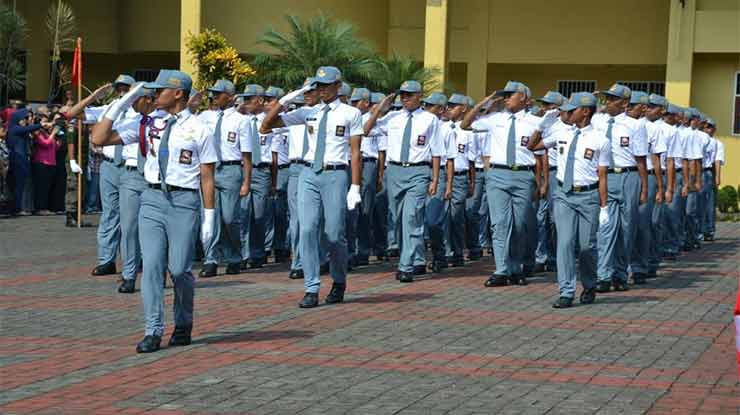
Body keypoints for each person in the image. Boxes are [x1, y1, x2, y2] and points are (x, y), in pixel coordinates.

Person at [91, 70, 217, 353]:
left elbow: (207, 175)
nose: (153, 95)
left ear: (178, 94)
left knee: (180, 268)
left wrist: (209, 216)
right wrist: (125, 101)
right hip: (151, 198)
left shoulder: (199, 128)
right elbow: (99, 137)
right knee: (152, 268)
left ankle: (183, 322)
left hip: (184, 202)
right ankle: (153, 329)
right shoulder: (147, 123)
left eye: (160, 91)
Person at [261, 66, 364, 307]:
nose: (323, 91)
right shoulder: (308, 112)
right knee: (306, 229)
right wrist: (288, 98)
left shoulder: (351, 113)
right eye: (318, 86)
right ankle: (311, 286)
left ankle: (338, 280)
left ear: (338, 86)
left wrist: (355, 186)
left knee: (334, 234)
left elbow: (356, 151)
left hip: (335, 174)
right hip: (308, 172)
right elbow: (265, 125)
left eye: (327, 86)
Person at [530, 92, 610, 308]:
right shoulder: (562, 133)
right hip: (564, 195)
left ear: (585, 112)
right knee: (564, 243)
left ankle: (590, 284)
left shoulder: (600, 140)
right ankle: (566, 291)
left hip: (589, 196)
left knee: (586, 246)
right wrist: (541, 124)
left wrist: (604, 208)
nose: (566, 113)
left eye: (571, 110)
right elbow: (532, 146)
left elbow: (602, 176)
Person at [461, 81, 542, 287]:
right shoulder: (495, 119)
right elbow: (465, 124)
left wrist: (541, 183)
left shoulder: (535, 122)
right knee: (499, 224)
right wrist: (484, 102)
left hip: (523, 175)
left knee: (519, 224)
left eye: (510, 95)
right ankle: (501, 269)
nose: (506, 98)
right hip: (497, 174)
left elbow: (541, 155)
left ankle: (515, 268)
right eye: (504, 95)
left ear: (523, 97)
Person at [364, 81, 444, 283]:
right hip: (395, 171)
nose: (405, 98)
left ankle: (406, 265)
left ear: (420, 96)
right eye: (402, 95)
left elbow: (436, 151)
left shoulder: (430, 119)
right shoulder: (392, 117)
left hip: (418, 171)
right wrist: (380, 109)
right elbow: (366, 129)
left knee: (411, 216)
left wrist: (434, 179)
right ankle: (413, 258)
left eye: (409, 94)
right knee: (398, 218)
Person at [65, 75, 135, 276]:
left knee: (131, 217)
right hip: (109, 166)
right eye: (118, 87)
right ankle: (107, 260)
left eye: (125, 87)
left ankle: (134, 259)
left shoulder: (140, 110)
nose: (121, 91)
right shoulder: (109, 109)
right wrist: (94, 96)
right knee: (109, 214)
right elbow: (72, 114)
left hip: (131, 167)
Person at [592, 84, 648, 293]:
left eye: (612, 98)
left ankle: (620, 274)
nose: (607, 101)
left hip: (628, 176)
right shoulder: (597, 121)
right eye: (607, 98)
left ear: (624, 103)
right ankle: (603, 275)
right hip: (605, 177)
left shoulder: (635, 125)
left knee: (626, 228)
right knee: (605, 228)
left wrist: (643, 189)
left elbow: (641, 159)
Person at [197, 79, 251, 278]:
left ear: (230, 97)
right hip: (209, 170)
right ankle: (210, 259)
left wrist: (246, 182)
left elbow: (246, 155)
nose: (214, 97)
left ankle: (234, 257)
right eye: (212, 94)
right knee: (209, 217)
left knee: (230, 218)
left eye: (218, 94)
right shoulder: (204, 117)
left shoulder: (240, 120)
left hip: (230, 170)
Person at [626, 92, 667, 284]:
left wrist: (659, 187)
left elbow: (656, 161)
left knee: (644, 224)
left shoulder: (654, 129)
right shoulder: (620, 124)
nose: (629, 107)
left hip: (647, 177)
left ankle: (641, 266)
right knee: (624, 225)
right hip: (624, 176)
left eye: (635, 105)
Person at [285, 78, 319, 280]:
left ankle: (319, 259)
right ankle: (298, 261)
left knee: (320, 221)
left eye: (311, 91)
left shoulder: (328, 115)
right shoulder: (296, 115)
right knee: (298, 220)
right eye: (304, 92)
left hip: (321, 167)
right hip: (298, 168)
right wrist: (296, 93)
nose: (307, 95)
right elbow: (269, 119)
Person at [238, 84, 274, 270]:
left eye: (248, 99)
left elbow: (275, 152)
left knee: (259, 214)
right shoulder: (241, 121)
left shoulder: (269, 121)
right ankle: (243, 254)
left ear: (259, 100)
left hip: (261, 170)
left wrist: (273, 180)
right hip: (244, 169)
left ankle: (258, 253)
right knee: (243, 214)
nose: (245, 103)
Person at [531, 91, 567, 272]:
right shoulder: (544, 126)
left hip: (560, 174)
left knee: (555, 219)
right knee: (540, 218)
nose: (544, 109)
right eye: (544, 105)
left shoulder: (565, 126)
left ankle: (554, 257)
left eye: (548, 105)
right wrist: (542, 182)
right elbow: (540, 156)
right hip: (549, 173)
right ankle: (541, 255)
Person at [422, 92, 455, 273]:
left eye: (430, 106)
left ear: (441, 110)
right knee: (415, 218)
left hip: (439, 174)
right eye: (425, 105)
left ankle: (439, 255)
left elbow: (450, 159)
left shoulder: (446, 130)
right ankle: (417, 260)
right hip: (420, 171)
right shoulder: (419, 123)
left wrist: (449, 185)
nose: (426, 109)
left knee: (433, 221)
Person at [445, 94, 478, 266]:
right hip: (443, 175)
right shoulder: (442, 127)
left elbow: (471, 159)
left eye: (454, 106)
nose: (449, 108)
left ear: (463, 108)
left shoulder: (468, 131)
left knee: (456, 216)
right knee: (442, 216)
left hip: (459, 176)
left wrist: (472, 182)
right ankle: (445, 251)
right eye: (448, 106)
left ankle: (457, 252)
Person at [7, 108, 42, 216]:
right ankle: (18, 208)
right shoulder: (14, 128)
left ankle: (23, 207)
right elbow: (28, 129)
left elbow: (28, 130)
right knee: (19, 185)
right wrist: (41, 124)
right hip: (18, 159)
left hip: (23, 159)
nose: (25, 120)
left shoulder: (20, 129)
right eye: (24, 118)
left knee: (24, 184)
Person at [30, 116, 62, 215]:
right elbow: (45, 143)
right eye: (44, 122)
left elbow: (54, 147)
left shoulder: (47, 133)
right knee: (41, 187)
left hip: (51, 162)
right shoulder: (37, 133)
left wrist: (58, 139)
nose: (47, 124)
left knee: (48, 187)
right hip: (41, 162)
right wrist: (53, 134)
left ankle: (46, 207)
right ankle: (40, 208)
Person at [705, 118, 720, 241]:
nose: (707, 129)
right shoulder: (698, 138)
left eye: (710, 127)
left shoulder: (716, 143)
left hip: (708, 172)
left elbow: (717, 161)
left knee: (709, 203)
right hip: (697, 172)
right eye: (706, 126)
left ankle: (709, 230)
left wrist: (717, 177)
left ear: (714, 130)